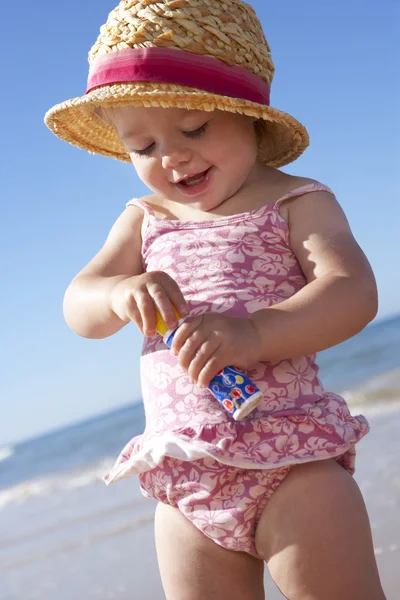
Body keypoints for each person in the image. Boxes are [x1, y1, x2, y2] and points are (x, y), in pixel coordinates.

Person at [45, 1, 386, 598]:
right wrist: (120, 292)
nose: (170, 156)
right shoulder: (144, 220)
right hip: (185, 479)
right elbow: (80, 306)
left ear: (248, 116)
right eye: (143, 146)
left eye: (193, 129)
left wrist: (256, 334)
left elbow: (352, 291)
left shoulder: (296, 201)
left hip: (292, 460)